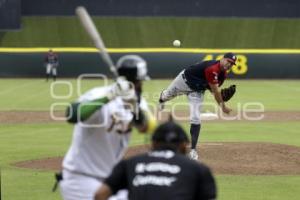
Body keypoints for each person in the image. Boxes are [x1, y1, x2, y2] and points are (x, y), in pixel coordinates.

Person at [58, 55, 156, 200]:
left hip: (110, 179)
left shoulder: (136, 101)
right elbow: (71, 114)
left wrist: (134, 107)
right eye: (140, 81)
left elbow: (147, 127)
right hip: (80, 179)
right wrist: (110, 96)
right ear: (134, 81)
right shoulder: (98, 94)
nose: (142, 85)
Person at [94, 118, 217, 200]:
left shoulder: (130, 164)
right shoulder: (198, 169)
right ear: (184, 145)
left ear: (153, 143)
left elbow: (99, 195)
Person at [158, 53, 237, 160]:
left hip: (197, 91)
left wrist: (221, 96)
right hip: (183, 81)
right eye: (228, 61)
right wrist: (223, 106)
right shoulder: (212, 69)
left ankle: (193, 150)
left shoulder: (223, 75)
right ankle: (162, 98)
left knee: (196, 118)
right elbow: (215, 91)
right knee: (166, 96)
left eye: (232, 64)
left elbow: (213, 90)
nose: (229, 65)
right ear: (222, 59)